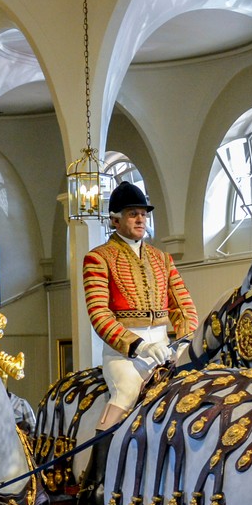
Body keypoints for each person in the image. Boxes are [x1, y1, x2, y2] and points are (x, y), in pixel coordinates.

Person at [82, 181, 197, 432]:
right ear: (115, 220)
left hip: (165, 348)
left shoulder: (162, 258)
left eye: (144, 214)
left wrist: (185, 340)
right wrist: (139, 345)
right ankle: (97, 468)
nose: (140, 220)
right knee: (127, 392)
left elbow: (183, 305)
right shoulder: (98, 258)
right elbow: (99, 314)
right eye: (133, 214)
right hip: (124, 356)